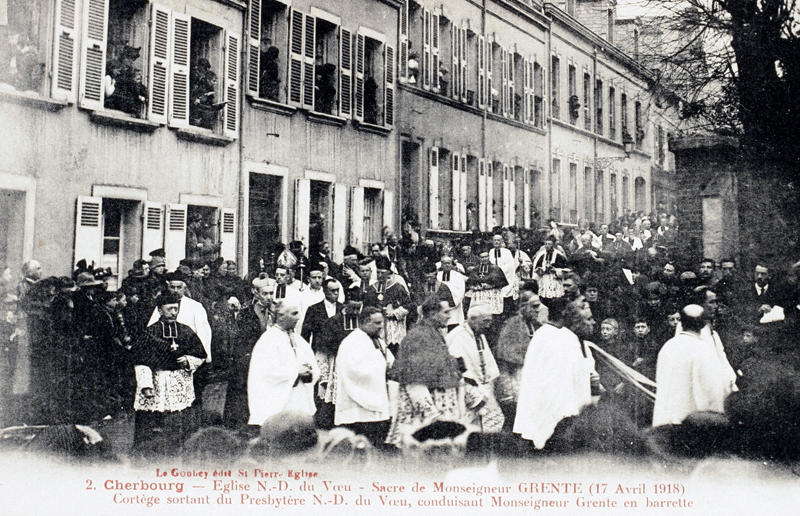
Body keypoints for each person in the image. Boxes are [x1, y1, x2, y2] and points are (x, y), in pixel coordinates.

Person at [513, 298, 596, 449]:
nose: (593, 323)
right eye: (588, 319)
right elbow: (555, 392)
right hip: (555, 425)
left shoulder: (571, 339)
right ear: (574, 319)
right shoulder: (554, 338)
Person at [131, 291, 207, 456]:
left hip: (178, 381)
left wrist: (187, 360)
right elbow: (141, 360)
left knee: (179, 418)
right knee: (150, 420)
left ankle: (179, 450)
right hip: (155, 380)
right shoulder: (150, 332)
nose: (174, 312)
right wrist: (145, 385)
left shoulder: (185, 330)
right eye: (169, 309)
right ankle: (147, 453)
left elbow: (200, 354)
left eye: (176, 309)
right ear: (159, 310)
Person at [386, 298, 462, 448]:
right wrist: (432, 415)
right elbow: (413, 380)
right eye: (446, 312)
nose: (449, 316)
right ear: (433, 313)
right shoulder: (418, 336)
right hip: (425, 417)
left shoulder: (433, 333)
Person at [652, 305, 737, 427]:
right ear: (703, 324)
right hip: (690, 424)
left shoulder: (667, 347)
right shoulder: (704, 349)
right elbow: (716, 389)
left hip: (665, 421)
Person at [247, 299, 320, 427]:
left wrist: (310, 371)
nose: (299, 317)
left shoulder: (298, 339)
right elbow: (267, 373)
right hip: (280, 403)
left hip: (300, 399)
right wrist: (296, 372)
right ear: (280, 316)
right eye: (294, 313)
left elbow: (312, 365)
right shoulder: (268, 340)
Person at [334, 306, 394, 447]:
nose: (381, 327)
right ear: (364, 323)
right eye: (377, 323)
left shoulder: (377, 340)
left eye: (382, 322)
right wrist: (384, 369)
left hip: (375, 402)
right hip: (358, 407)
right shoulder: (352, 342)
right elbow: (353, 370)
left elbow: (388, 360)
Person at [446, 305, 504, 432]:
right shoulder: (459, 336)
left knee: (494, 422)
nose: (488, 325)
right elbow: (458, 368)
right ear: (472, 319)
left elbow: (488, 361)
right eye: (485, 321)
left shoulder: (478, 333)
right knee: (468, 426)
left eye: (489, 321)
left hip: (483, 388)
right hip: (467, 390)